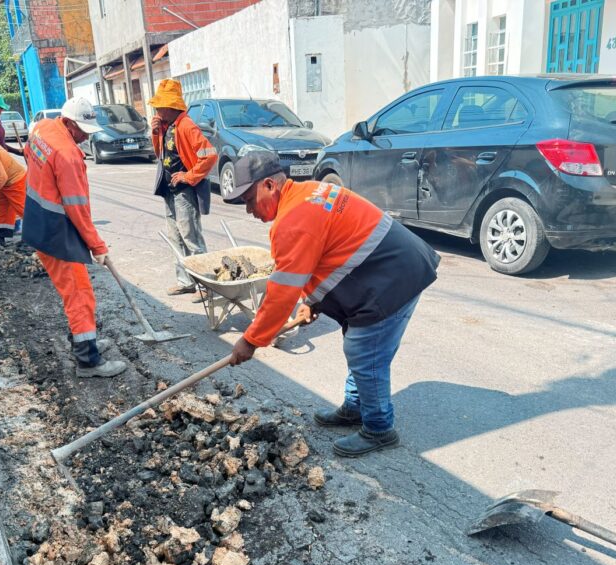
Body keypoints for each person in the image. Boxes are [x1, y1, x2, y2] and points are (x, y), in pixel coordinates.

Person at [226, 151, 440, 457]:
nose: (248, 210)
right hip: (393, 266)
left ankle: (379, 428)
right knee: (358, 341)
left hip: (393, 276)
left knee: (365, 351)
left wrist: (251, 340)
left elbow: (281, 294)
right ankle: (356, 407)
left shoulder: (292, 220)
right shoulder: (308, 194)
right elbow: (325, 257)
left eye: (248, 199)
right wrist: (313, 303)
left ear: (270, 186)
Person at [22, 96, 126, 378]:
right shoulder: (68, 156)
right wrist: (97, 245)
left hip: (37, 221)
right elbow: (78, 208)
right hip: (57, 230)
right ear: (67, 122)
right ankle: (88, 360)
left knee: (73, 292)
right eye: (80, 130)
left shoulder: (42, 128)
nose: (83, 137)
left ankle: (84, 339)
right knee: (79, 295)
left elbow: (26, 153)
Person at [148, 79, 217, 296]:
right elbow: (160, 154)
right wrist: (155, 132)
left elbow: (209, 155)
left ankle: (207, 285)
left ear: (171, 106)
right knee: (176, 237)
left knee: (191, 237)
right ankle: (186, 281)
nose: (157, 109)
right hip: (169, 189)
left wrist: (189, 176)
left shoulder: (187, 126)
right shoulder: (167, 126)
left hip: (185, 191)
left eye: (160, 106)